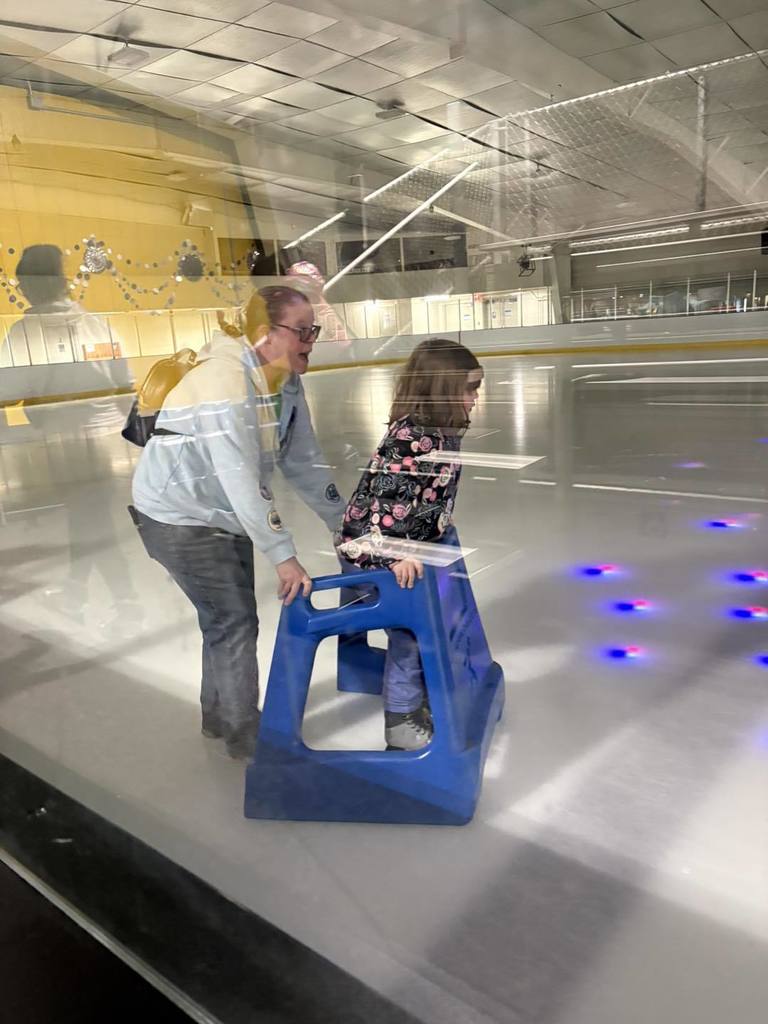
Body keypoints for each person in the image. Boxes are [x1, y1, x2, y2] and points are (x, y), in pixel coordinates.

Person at [130, 286, 345, 759]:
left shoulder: (282, 379)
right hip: (177, 516)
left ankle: (220, 716)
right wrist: (283, 556)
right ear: (266, 334)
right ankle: (244, 732)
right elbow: (239, 478)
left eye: (315, 330)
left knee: (225, 619)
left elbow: (303, 460)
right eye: (303, 330)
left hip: (218, 514)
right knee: (234, 619)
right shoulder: (225, 382)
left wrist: (343, 522)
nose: (312, 339)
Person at [336, 337, 483, 752]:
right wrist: (396, 555)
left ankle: (417, 697)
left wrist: (434, 528)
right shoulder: (412, 437)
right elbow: (387, 501)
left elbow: (426, 496)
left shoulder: (443, 432)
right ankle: (400, 722)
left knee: (429, 621)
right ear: (443, 388)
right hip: (372, 556)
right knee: (412, 632)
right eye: (469, 388)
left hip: (397, 551)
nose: (475, 399)